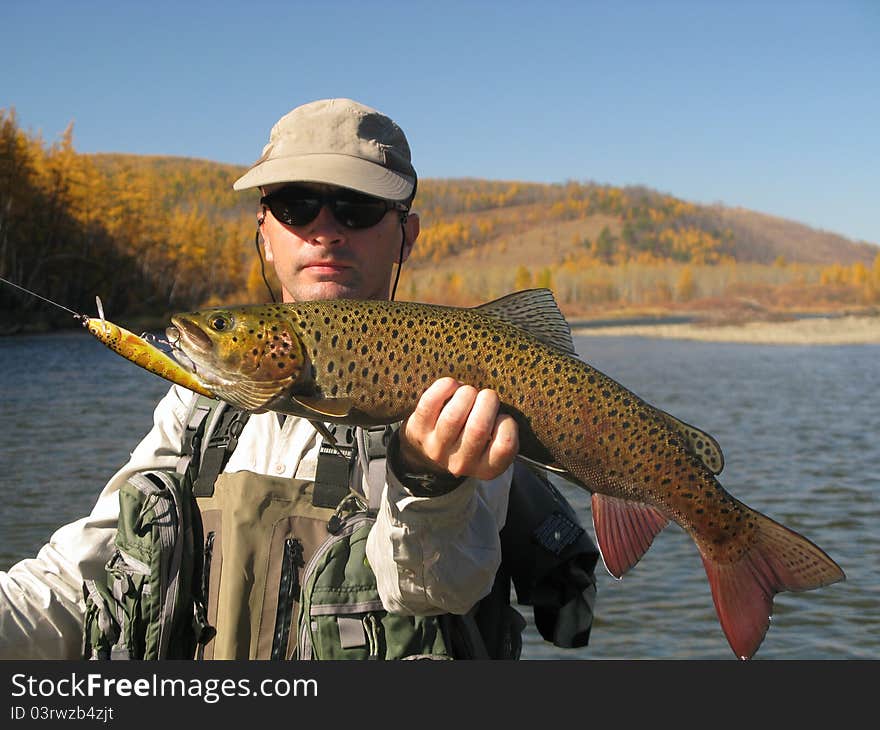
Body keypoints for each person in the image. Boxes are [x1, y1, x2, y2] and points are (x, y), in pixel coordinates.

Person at [0, 98, 597, 660]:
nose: (324, 230)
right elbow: (80, 582)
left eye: (357, 207)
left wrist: (427, 481)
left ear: (406, 238)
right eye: (295, 204)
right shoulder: (198, 410)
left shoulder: (456, 392)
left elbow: (437, 589)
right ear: (264, 229)